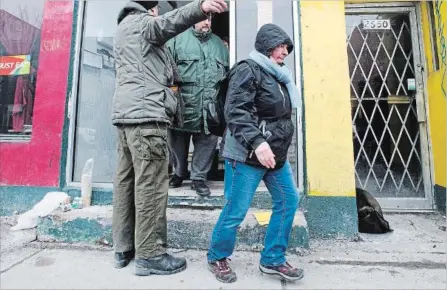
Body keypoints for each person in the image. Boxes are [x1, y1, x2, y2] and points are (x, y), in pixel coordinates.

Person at [111, 0, 227, 276]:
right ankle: (150, 255)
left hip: (127, 116)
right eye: (157, 9)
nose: (159, 13)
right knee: (150, 186)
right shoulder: (143, 24)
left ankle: (124, 248)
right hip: (146, 118)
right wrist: (200, 7)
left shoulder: (122, 28)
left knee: (126, 183)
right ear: (151, 9)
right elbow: (168, 24)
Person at [206, 24, 304, 283]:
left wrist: (271, 147)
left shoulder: (281, 76)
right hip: (246, 154)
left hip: (274, 154)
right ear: (267, 45)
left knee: (288, 200)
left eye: (286, 47)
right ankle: (217, 256)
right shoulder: (247, 70)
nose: (284, 52)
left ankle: (273, 258)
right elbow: (237, 113)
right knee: (236, 209)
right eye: (280, 46)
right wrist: (258, 144)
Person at [166, 18, 229, 197]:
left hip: (209, 108)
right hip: (182, 106)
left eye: (209, 20)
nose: (207, 23)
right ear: (193, 20)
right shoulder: (176, 40)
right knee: (177, 141)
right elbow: (165, 73)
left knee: (207, 142)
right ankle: (179, 173)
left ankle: (198, 178)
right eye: (202, 20)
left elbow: (225, 79)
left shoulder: (219, 45)